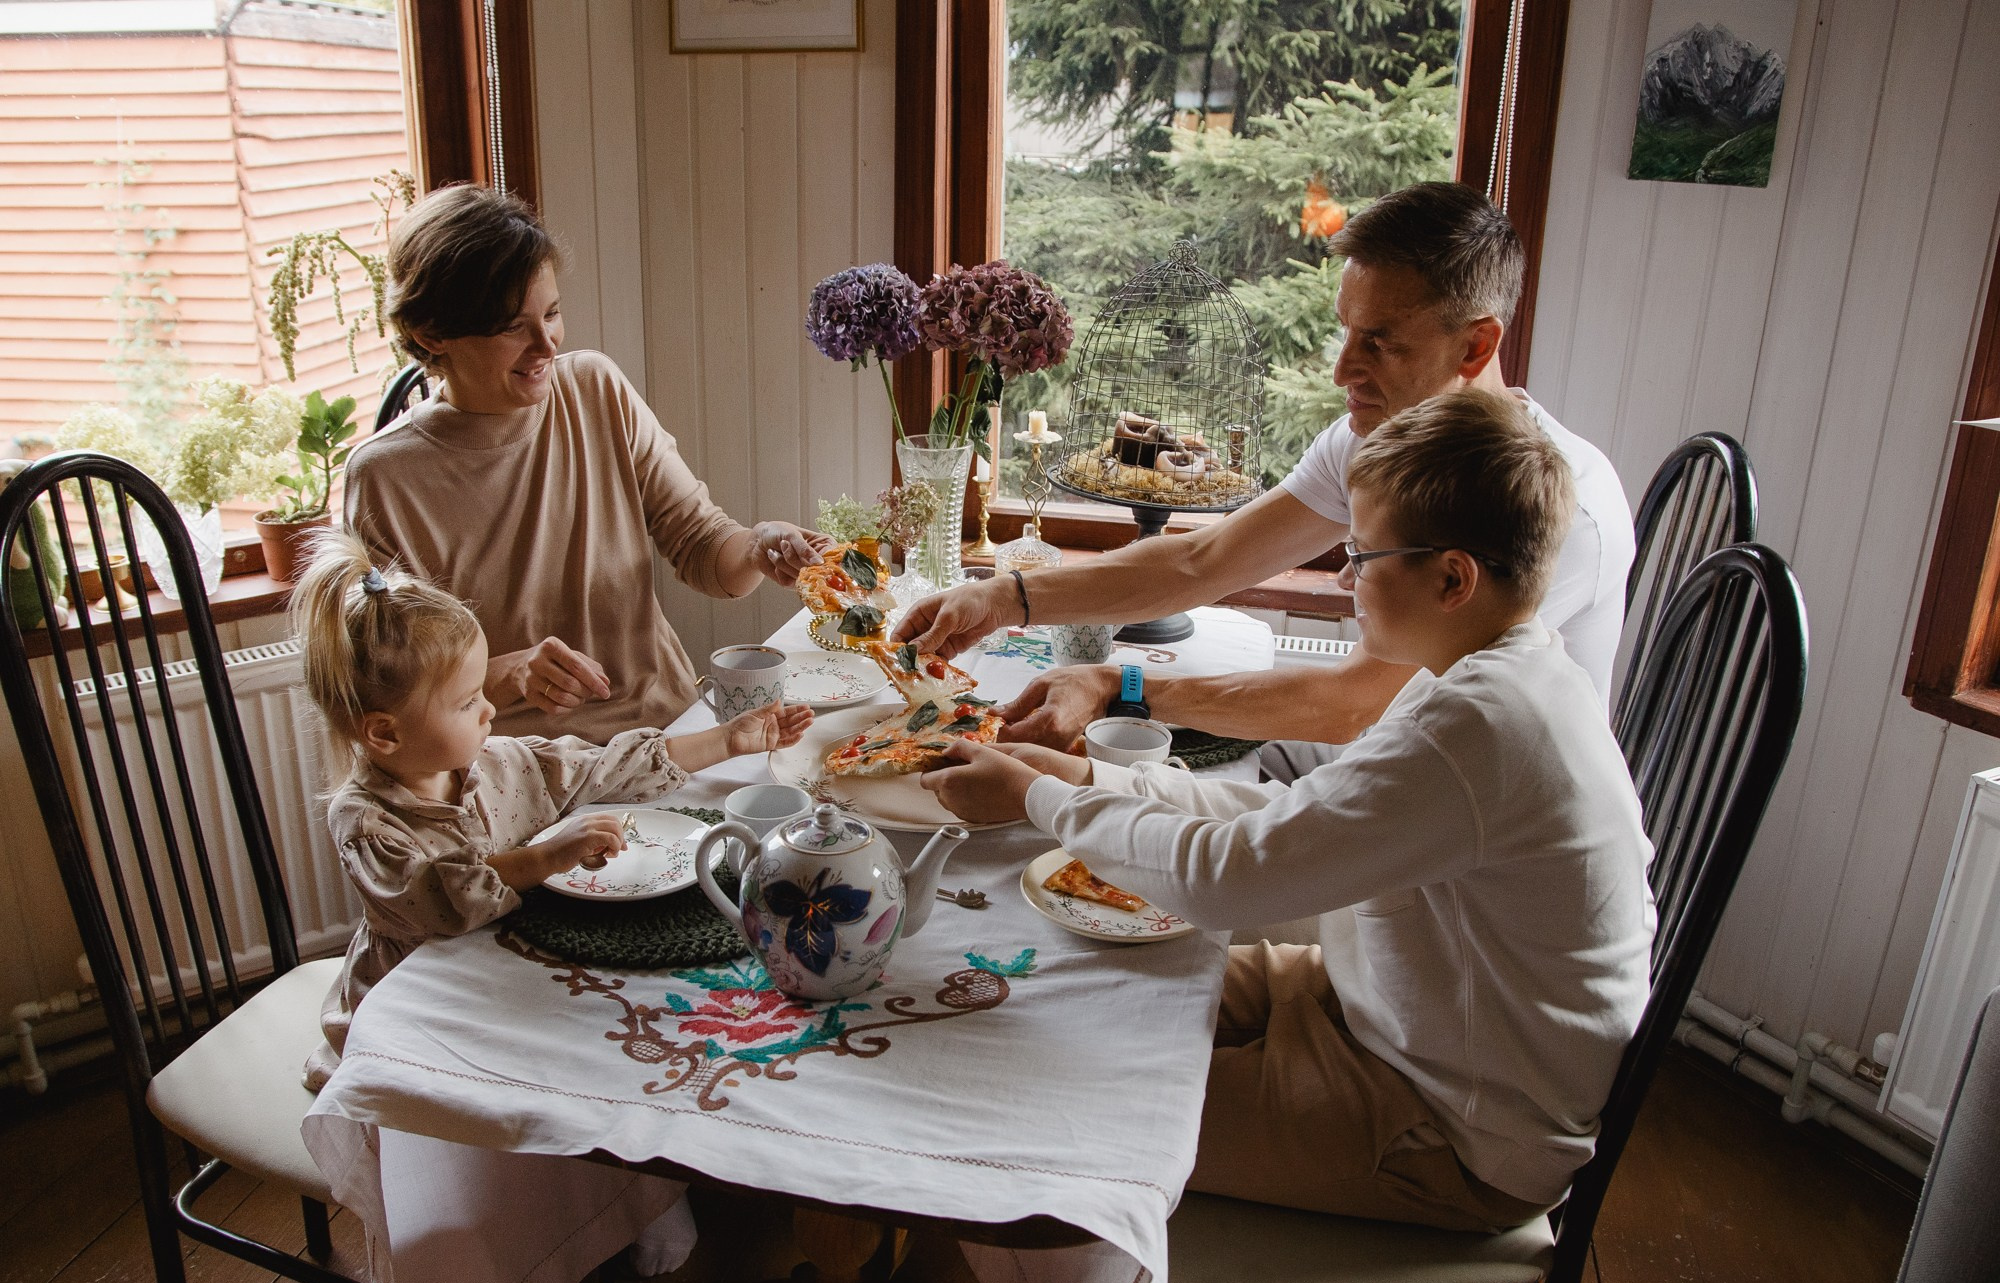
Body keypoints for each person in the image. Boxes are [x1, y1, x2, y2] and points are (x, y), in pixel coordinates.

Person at [922, 391, 1654, 1230]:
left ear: (1454, 577)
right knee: (1060, 992)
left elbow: (1228, 879)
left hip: (1454, 1127)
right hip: (1391, 1006)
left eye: (1365, 555)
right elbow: (1286, 816)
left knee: (1061, 1105)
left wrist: (1034, 797)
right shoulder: (1482, 675)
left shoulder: (1481, 726)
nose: (1346, 576)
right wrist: (1087, 784)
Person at [897, 181, 1635, 755]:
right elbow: (1201, 560)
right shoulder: (1380, 438)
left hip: (1458, 878)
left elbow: (1355, 703)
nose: (1345, 368)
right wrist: (1004, 596)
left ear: (1476, 346)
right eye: (1345, 332)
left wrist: (1119, 684)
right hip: (1374, 761)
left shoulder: (1558, 507)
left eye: (1378, 343)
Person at [292, 531, 812, 1091]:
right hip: (416, 1020)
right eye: (468, 702)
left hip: (509, 983)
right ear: (383, 733)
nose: (491, 707)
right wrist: (545, 857)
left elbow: (607, 767)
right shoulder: (366, 824)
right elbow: (441, 898)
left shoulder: (495, 763)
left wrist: (728, 740)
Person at [346, 184, 828, 745]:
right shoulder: (385, 477)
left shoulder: (594, 389)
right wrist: (511, 675)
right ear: (431, 334)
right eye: (510, 327)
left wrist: (755, 546)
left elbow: (701, 545)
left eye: (551, 313)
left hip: (673, 737)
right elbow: (394, 694)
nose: (546, 344)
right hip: (519, 773)